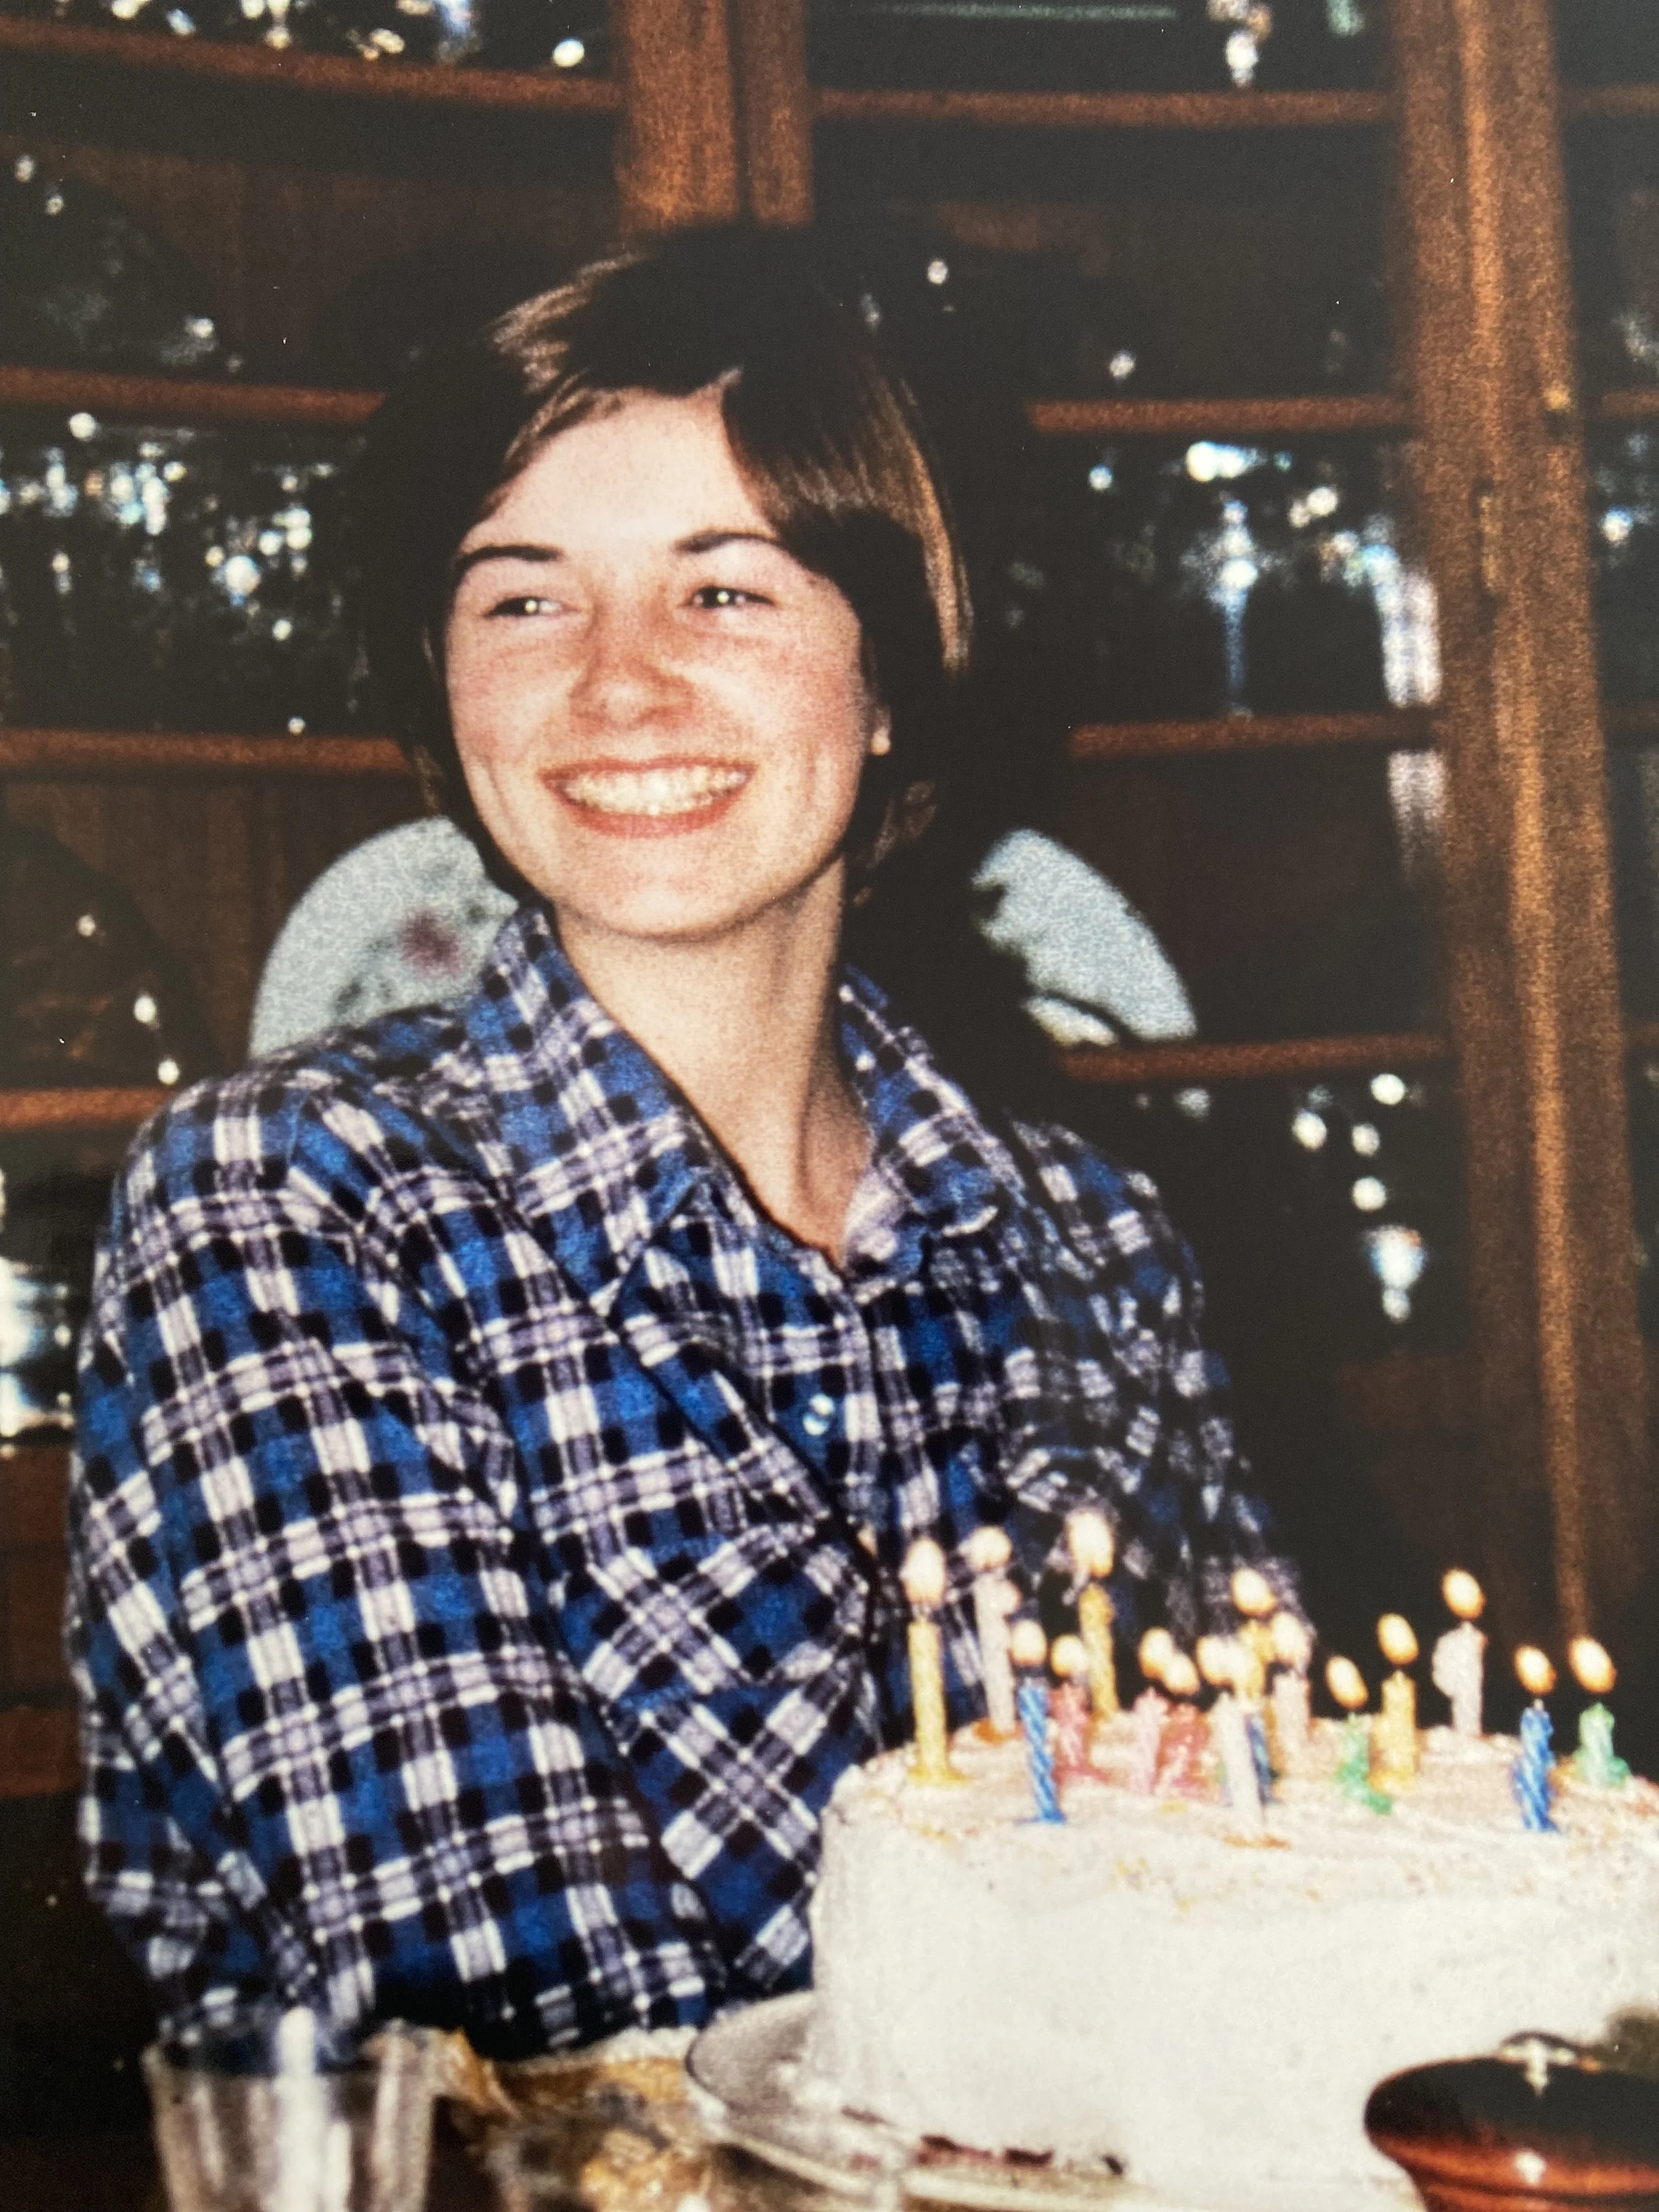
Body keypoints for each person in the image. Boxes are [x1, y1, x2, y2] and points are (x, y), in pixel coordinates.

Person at [67, 229, 1296, 2057]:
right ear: (442, 684)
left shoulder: (1091, 1237)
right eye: (523, 598)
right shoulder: (291, 1204)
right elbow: (522, 2029)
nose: (619, 684)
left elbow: (1266, 1886)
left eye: (726, 592)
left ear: (888, 679)